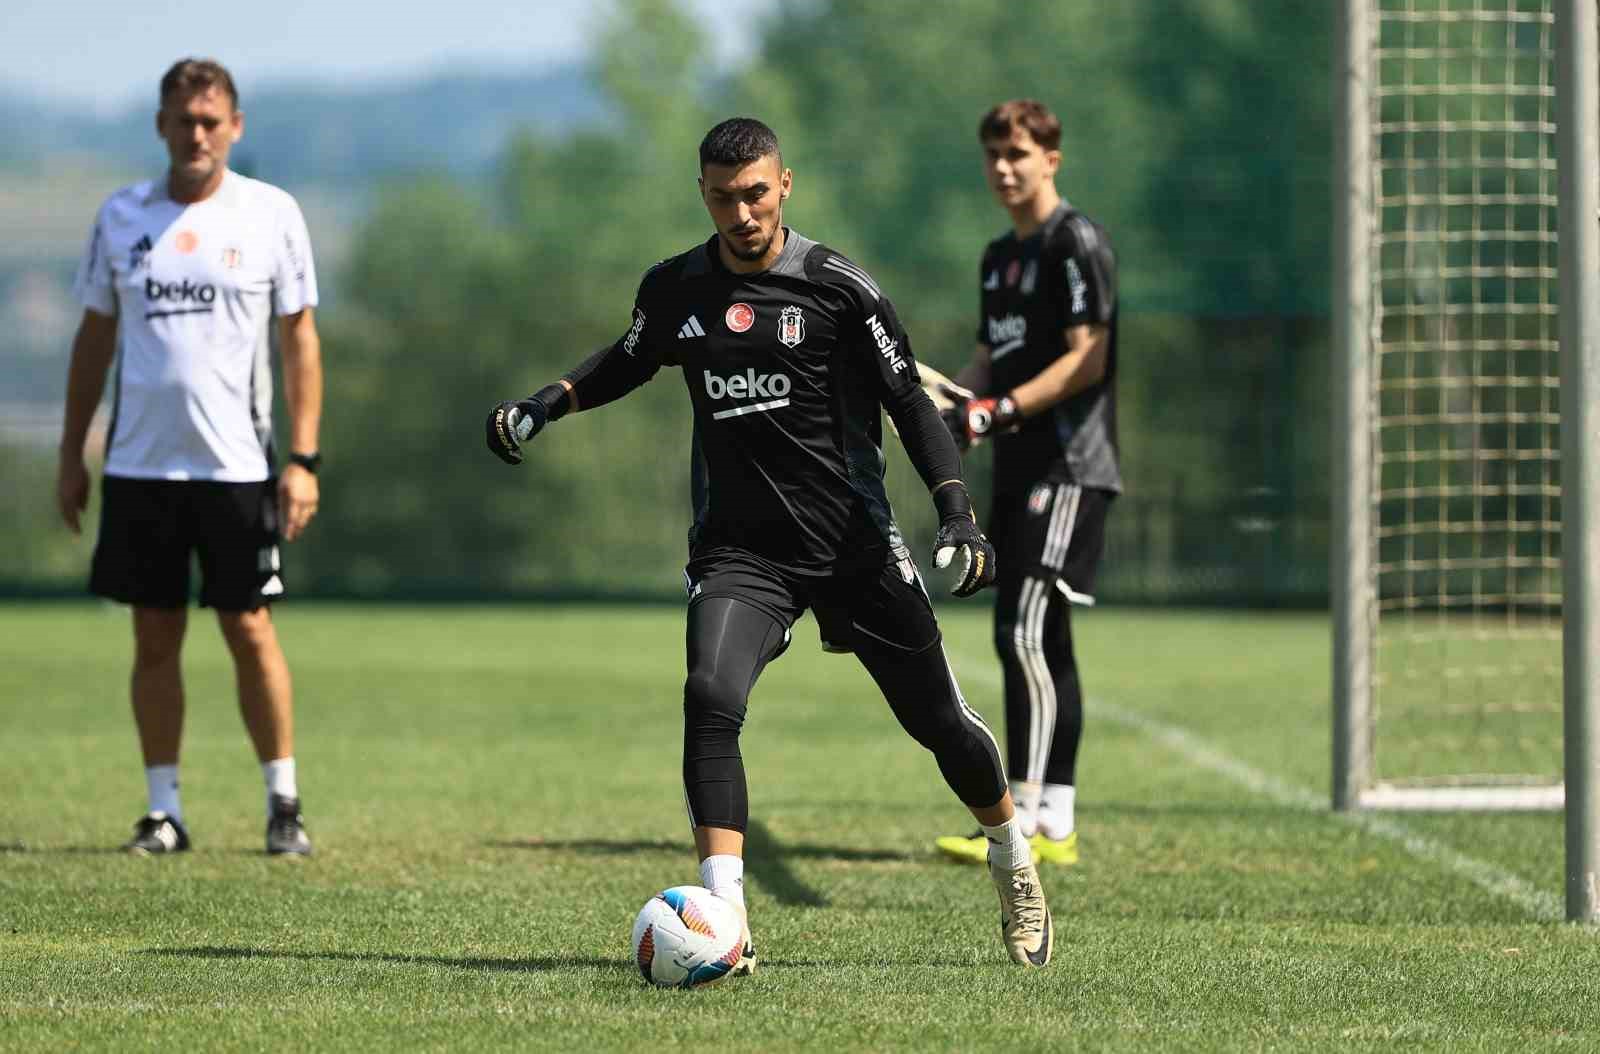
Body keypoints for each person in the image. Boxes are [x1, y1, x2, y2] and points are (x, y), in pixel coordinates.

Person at [485, 117, 1053, 969]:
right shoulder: (675, 287)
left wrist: (958, 516)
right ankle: (727, 921)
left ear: (784, 184)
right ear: (703, 196)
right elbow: (631, 360)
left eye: (756, 193)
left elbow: (912, 408)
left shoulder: (840, 290)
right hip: (740, 551)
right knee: (710, 695)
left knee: (938, 723)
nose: (742, 213)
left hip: (854, 545)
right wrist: (546, 401)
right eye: (723, 198)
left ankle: (1013, 860)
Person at [57, 58, 323, 857]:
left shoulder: (270, 214)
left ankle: (283, 804)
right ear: (161, 126)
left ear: (234, 126)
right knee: (154, 636)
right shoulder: (120, 217)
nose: (196, 133)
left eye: (211, 120)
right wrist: (73, 451)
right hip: (141, 468)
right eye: (183, 119)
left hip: (237, 466)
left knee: (249, 627)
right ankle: (163, 810)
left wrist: (304, 457)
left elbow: (300, 339)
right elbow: (93, 339)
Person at [931, 100, 1121, 869]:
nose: (1004, 168)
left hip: (1070, 468)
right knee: (1028, 640)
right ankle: (1059, 821)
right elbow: (985, 363)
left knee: (1024, 634)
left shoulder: (1073, 242)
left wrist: (999, 408)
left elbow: (1089, 358)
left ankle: (1032, 820)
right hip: (1017, 470)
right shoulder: (995, 258)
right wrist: (953, 406)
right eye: (992, 155)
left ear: (1052, 157)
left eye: (1018, 153)